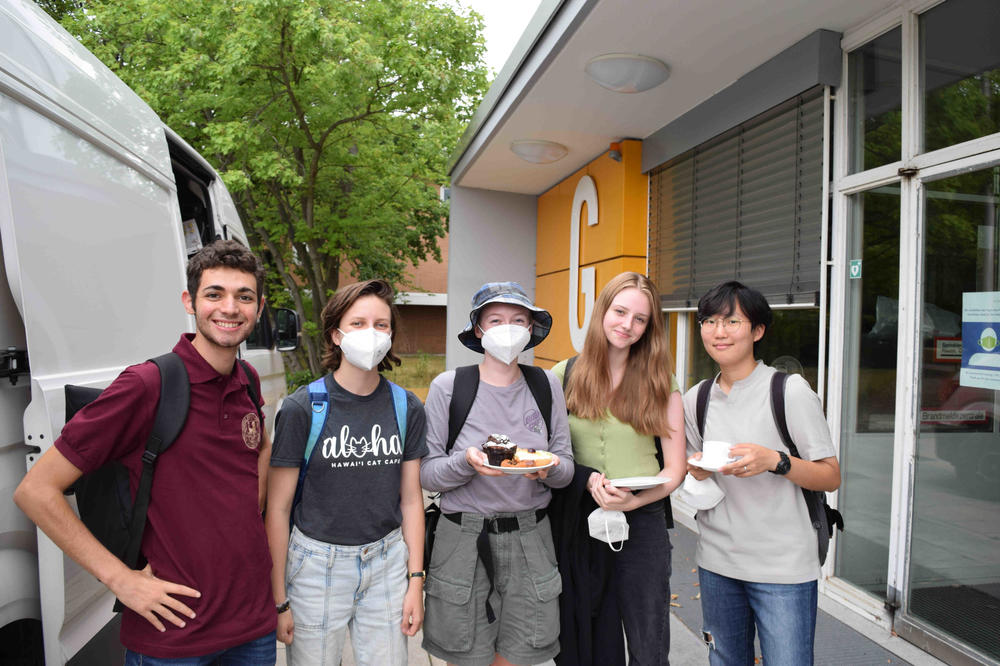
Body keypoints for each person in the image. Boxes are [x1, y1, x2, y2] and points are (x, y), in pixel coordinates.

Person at [14, 240, 277, 664]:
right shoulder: (147, 385)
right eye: (215, 294)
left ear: (259, 308)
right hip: (173, 638)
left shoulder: (246, 378)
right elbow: (36, 490)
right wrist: (121, 579)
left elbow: (258, 449)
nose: (230, 308)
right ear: (189, 302)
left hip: (253, 629)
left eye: (244, 297)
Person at [265, 279, 428, 666]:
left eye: (381, 324)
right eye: (358, 323)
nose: (371, 333)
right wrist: (279, 599)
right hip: (316, 566)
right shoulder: (302, 408)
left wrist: (415, 581)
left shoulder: (406, 407)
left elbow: (411, 500)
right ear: (336, 335)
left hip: (387, 562)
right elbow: (278, 509)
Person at [683, 280, 841, 665]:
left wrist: (776, 461)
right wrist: (697, 472)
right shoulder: (696, 398)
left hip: (783, 568)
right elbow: (692, 472)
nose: (718, 332)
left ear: (757, 331)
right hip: (717, 562)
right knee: (725, 660)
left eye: (732, 321)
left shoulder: (789, 392)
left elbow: (830, 475)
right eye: (709, 321)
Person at [420, 281, 574, 666]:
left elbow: (566, 468)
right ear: (478, 330)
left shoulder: (546, 385)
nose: (508, 328)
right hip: (463, 540)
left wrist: (545, 469)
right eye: (496, 320)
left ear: (530, 329)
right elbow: (427, 474)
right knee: (467, 655)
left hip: (530, 538)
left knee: (517, 657)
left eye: (518, 320)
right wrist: (466, 462)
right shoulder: (449, 387)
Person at [549, 271, 686, 666]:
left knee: (647, 641)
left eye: (640, 319)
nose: (627, 325)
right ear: (602, 311)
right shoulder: (562, 375)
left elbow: (675, 469)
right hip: (579, 520)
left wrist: (634, 502)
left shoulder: (662, 383)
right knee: (585, 638)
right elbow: (547, 454)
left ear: (649, 327)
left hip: (642, 522)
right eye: (620, 312)